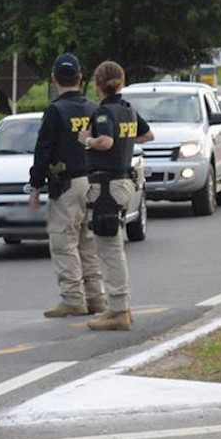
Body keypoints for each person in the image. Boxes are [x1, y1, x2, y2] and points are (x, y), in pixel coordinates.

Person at [29, 52, 107, 318]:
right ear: (80, 77)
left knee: (64, 242)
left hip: (66, 185)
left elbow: (43, 151)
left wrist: (35, 185)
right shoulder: (94, 108)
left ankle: (73, 298)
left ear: (54, 78)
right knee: (88, 242)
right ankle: (97, 298)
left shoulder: (54, 111)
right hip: (93, 183)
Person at [79, 61, 153, 331]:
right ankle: (120, 307)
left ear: (98, 84)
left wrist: (87, 140)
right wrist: (128, 141)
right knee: (114, 244)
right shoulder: (128, 111)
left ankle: (118, 310)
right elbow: (148, 135)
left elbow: (106, 142)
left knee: (108, 248)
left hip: (107, 185)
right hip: (124, 181)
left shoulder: (104, 113)